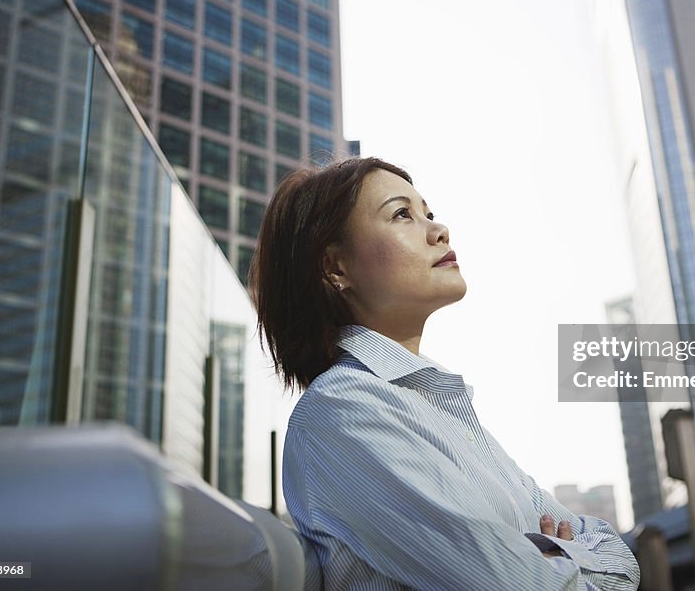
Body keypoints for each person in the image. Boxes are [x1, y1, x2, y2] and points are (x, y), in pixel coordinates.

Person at [250, 157, 640, 590]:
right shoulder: (342, 413)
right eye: (402, 214)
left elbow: (621, 555)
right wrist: (571, 560)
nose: (439, 231)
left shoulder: (442, 409)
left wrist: (558, 558)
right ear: (335, 268)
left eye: (428, 214)